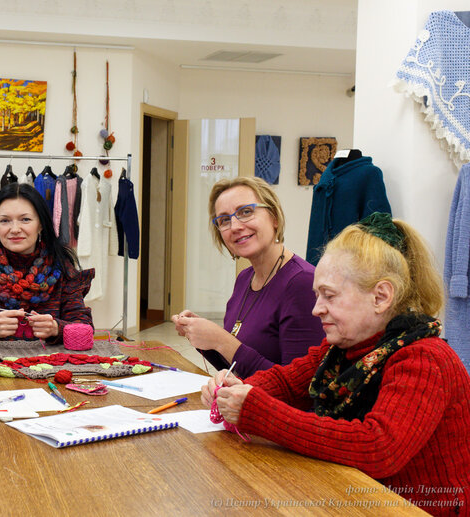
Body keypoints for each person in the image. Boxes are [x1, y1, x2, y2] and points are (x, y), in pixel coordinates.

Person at [202, 213, 470, 515]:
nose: (316, 309)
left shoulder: (425, 359)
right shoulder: (341, 349)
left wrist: (258, 412)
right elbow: (287, 382)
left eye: (328, 296)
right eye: (317, 295)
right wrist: (236, 388)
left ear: (381, 297)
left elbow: (378, 448)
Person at [172, 177, 324, 378]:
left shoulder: (303, 283)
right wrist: (202, 336)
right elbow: (236, 368)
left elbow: (298, 385)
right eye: (224, 220)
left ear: (274, 217)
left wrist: (221, 340)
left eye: (245, 212)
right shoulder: (245, 279)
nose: (235, 226)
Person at [0, 182, 93, 345]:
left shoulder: (63, 271)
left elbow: (85, 330)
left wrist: (57, 328)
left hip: (51, 362)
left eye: (25, 219)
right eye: (5, 220)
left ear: (40, 224)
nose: (15, 229)